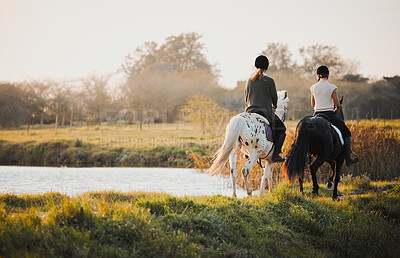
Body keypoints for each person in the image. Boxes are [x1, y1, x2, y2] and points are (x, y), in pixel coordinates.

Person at [310, 65, 359, 166]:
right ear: (328, 75)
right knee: (347, 133)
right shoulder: (332, 87)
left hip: (316, 114)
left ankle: (308, 155)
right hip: (329, 114)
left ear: (318, 75)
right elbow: (337, 103)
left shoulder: (313, 87)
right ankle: (348, 158)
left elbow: (313, 105)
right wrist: (337, 109)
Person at [244, 55, 286, 163]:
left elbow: (246, 97)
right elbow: (274, 98)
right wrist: (274, 107)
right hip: (265, 113)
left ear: (255, 65)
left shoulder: (249, 80)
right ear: (267, 66)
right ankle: (276, 154)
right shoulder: (270, 81)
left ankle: (246, 152)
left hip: (249, 112)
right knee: (281, 129)